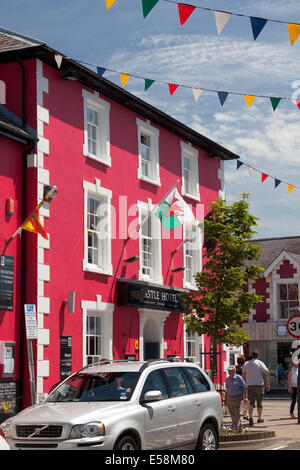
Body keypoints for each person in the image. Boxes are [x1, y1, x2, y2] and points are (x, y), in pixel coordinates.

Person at [242, 350, 270, 427]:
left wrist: (245, 382)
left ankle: (250, 418)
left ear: (252, 355)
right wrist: (268, 384)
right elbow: (267, 372)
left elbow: (243, 374)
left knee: (251, 403)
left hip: (250, 385)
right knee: (259, 402)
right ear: (258, 356)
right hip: (259, 385)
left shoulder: (246, 363)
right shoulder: (260, 363)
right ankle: (259, 418)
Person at [225, 365, 247, 430]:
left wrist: (246, 397)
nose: (229, 372)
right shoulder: (227, 379)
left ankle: (235, 428)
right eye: (229, 370)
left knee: (237, 413)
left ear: (234, 371)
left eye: (231, 370)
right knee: (231, 413)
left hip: (238, 397)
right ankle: (239, 427)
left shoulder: (239, 378)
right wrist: (226, 399)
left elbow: (245, 388)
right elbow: (227, 389)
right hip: (230, 398)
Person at [235, 355, 249, 420]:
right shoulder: (244, 368)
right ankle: (244, 414)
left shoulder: (236, 368)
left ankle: (238, 412)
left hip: (236, 385)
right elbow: (245, 377)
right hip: (243, 385)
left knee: (238, 400)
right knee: (245, 399)